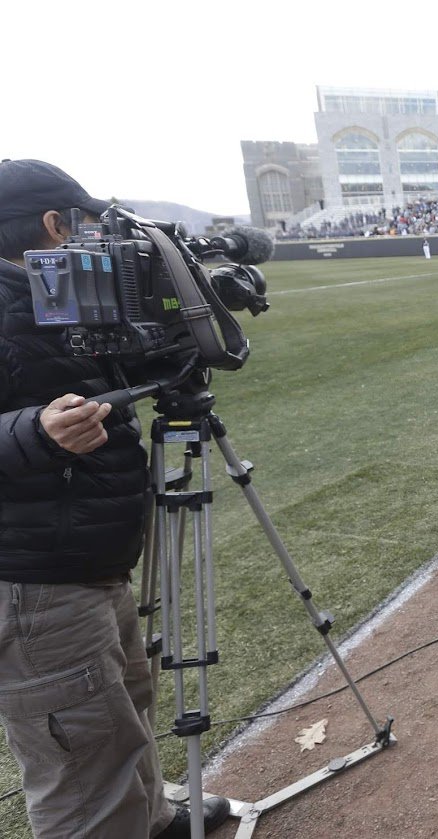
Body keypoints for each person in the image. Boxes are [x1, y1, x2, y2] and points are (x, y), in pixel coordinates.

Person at [0, 159, 230, 837]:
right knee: (81, 775)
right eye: (81, 223)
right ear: (51, 224)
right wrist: (34, 431)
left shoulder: (57, 299)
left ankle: (152, 817)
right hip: (36, 582)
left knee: (120, 709)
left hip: (93, 561)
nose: (93, 236)